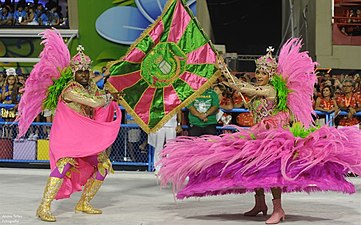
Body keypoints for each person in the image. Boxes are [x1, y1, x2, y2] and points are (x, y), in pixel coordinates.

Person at [157, 38, 361, 225]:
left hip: (275, 139)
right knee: (254, 167)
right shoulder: (260, 90)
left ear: (271, 75)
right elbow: (245, 90)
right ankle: (260, 204)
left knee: (271, 173)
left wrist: (226, 71)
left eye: (263, 73)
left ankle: (278, 209)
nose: (260, 76)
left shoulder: (272, 89)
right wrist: (224, 72)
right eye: (259, 72)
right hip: (258, 135)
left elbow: (246, 88)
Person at [16, 30, 122, 222]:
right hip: (68, 138)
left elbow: (98, 95)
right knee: (64, 166)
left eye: (86, 71)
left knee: (104, 165)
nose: (84, 74)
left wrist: (110, 89)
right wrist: (108, 97)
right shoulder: (70, 90)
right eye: (80, 71)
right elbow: (96, 102)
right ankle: (44, 206)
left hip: (85, 138)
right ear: (74, 73)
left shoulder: (89, 86)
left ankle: (84, 202)